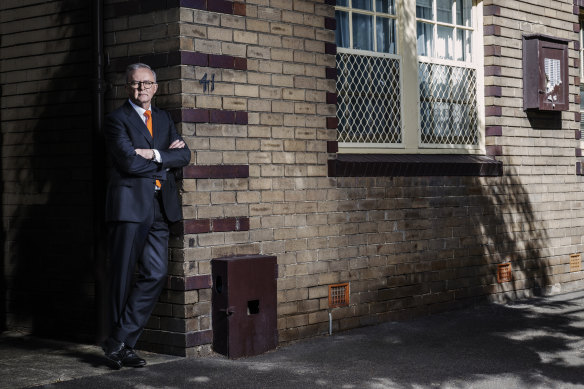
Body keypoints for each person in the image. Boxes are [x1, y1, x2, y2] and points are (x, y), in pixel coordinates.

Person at [101, 63, 190, 369]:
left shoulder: (164, 118)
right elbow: (127, 163)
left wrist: (151, 153)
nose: (142, 89)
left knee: (155, 273)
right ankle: (119, 346)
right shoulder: (116, 120)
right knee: (122, 278)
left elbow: (185, 155)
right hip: (129, 208)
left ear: (156, 86)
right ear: (127, 87)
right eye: (136, 84)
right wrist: (166, 159)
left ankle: (119, 340)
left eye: (147, 83)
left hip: (160, 207)